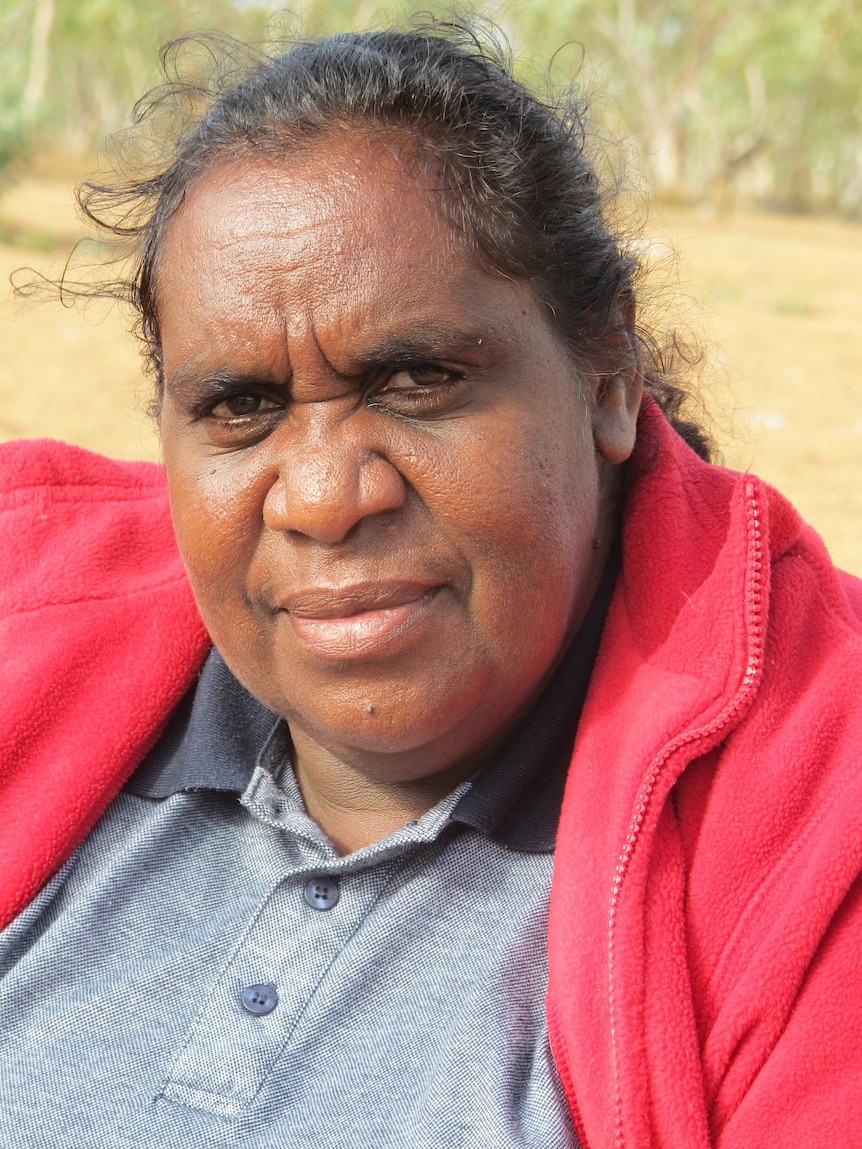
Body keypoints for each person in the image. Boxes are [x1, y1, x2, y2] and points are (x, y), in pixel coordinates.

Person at [2, 20, 862, 1149]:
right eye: (239, 406)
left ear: (608, 376)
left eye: (417, 379)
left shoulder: (815, 810)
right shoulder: (34, 632)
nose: (320, 496)